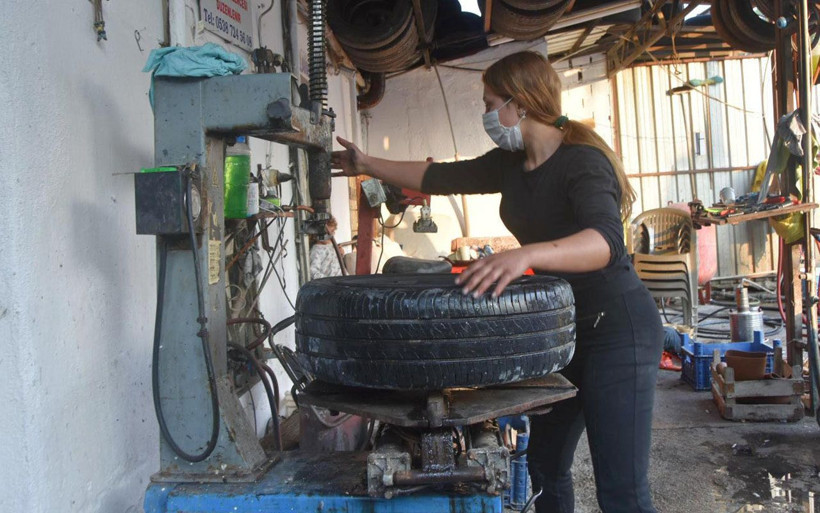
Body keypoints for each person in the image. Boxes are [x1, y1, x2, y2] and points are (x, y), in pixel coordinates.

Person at [331, 51, 663, 513]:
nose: (486, 114)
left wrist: (524, 255)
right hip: (563, 332)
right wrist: (367, 163)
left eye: (490, 103)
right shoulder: (511, 163)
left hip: (619, 329)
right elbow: (438, 176)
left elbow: (605, 242)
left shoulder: (581, 162)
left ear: (519, 104)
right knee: (546, 467)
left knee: (622, 491)